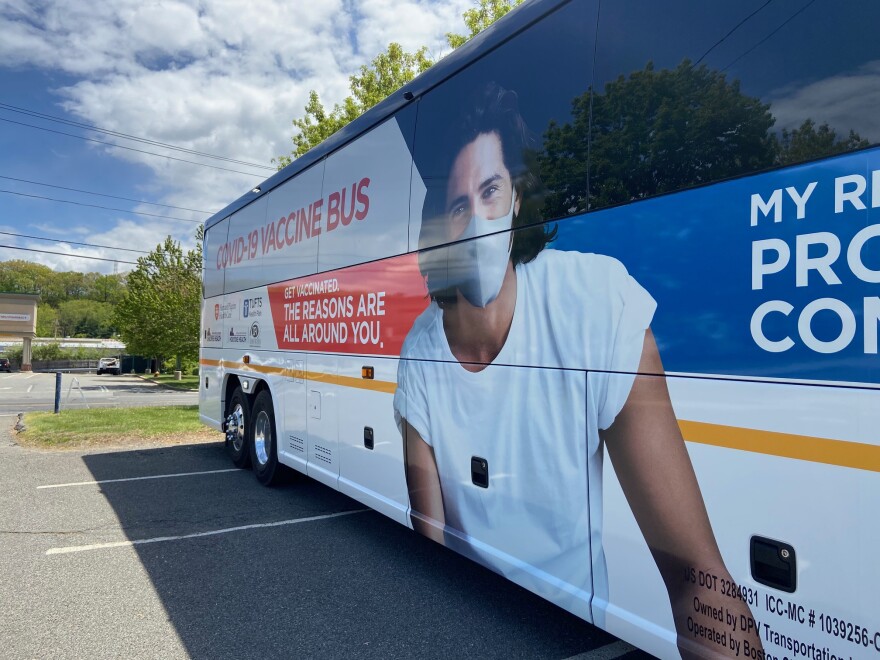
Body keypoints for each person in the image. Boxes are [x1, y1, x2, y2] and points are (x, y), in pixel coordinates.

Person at [392, 82, 760, 659]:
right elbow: (431, 542)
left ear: (516, 198)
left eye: (491, 191)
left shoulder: (595, 305)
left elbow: (697, 578)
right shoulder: (420, 352)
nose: (478, 221)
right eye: (459, 206)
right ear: (442, 230)